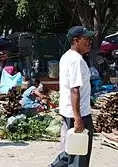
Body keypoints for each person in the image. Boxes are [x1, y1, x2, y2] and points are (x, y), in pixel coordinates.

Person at [49, 26, 95, 167]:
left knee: (71, 150)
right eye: (86, 39)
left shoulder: (66, 56)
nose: (90, 42)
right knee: (79, 155)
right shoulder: (76, 60)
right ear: (76, 40)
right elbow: (75, 90)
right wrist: (78, 118)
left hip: (69, 111)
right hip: (79, 113)